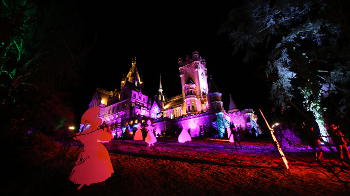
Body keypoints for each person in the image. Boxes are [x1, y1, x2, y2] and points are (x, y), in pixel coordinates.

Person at [69, 106, 114, 190]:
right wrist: (108, 129)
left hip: (87, 149)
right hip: (97, 150)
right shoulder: (97, 132)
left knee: (85, 164)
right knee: (98, 164)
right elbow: (109, 137)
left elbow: (78, 137)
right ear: (97, 124)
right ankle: (96, 180)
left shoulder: (85, 132)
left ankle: (84, 181)